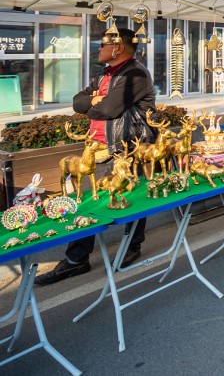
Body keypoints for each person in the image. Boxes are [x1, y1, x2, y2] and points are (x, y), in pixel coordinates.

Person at [36, 28, 156, 285]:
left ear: (118, 48)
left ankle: (132, 246)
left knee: (130, 198)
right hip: (96, 147)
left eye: (102, 45)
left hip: (124, 147)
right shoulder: (105, 74)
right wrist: (95, 99)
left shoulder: (135, 74)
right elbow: (77, 103)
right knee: (86, 202)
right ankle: (76, 260)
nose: (98, 49)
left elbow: (109, 110)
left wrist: (96, 103)